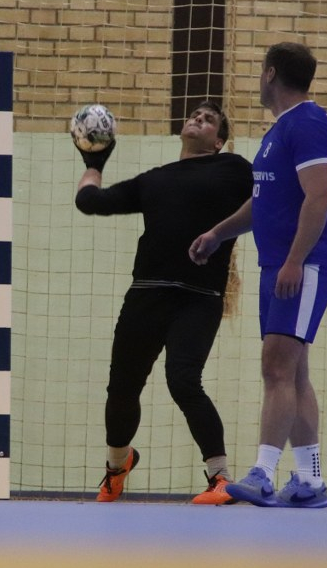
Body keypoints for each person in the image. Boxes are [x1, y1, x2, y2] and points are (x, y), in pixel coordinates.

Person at [75, 100, 254, 504]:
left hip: (199, 298)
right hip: (146, 294)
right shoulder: (156, 179)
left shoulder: (233, 169)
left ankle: (220, 478)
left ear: (219, 141)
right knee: (122, 388)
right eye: (195, 115)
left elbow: (269, 198)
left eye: (209, 120)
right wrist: (94, 161)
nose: (198, 119)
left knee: (183, 380)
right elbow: (90, 201)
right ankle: (118, 466)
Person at [189, 42, 327, 508]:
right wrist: (217, 233)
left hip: (303, 263)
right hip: (278, 264)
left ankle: (262, 473)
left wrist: (296, 260)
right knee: (292, 372)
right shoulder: (279, 131)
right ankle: (310, 481)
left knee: (275, 367)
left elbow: (319, 196)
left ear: (270, 73)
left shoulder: (309, 123)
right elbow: (264, 203)